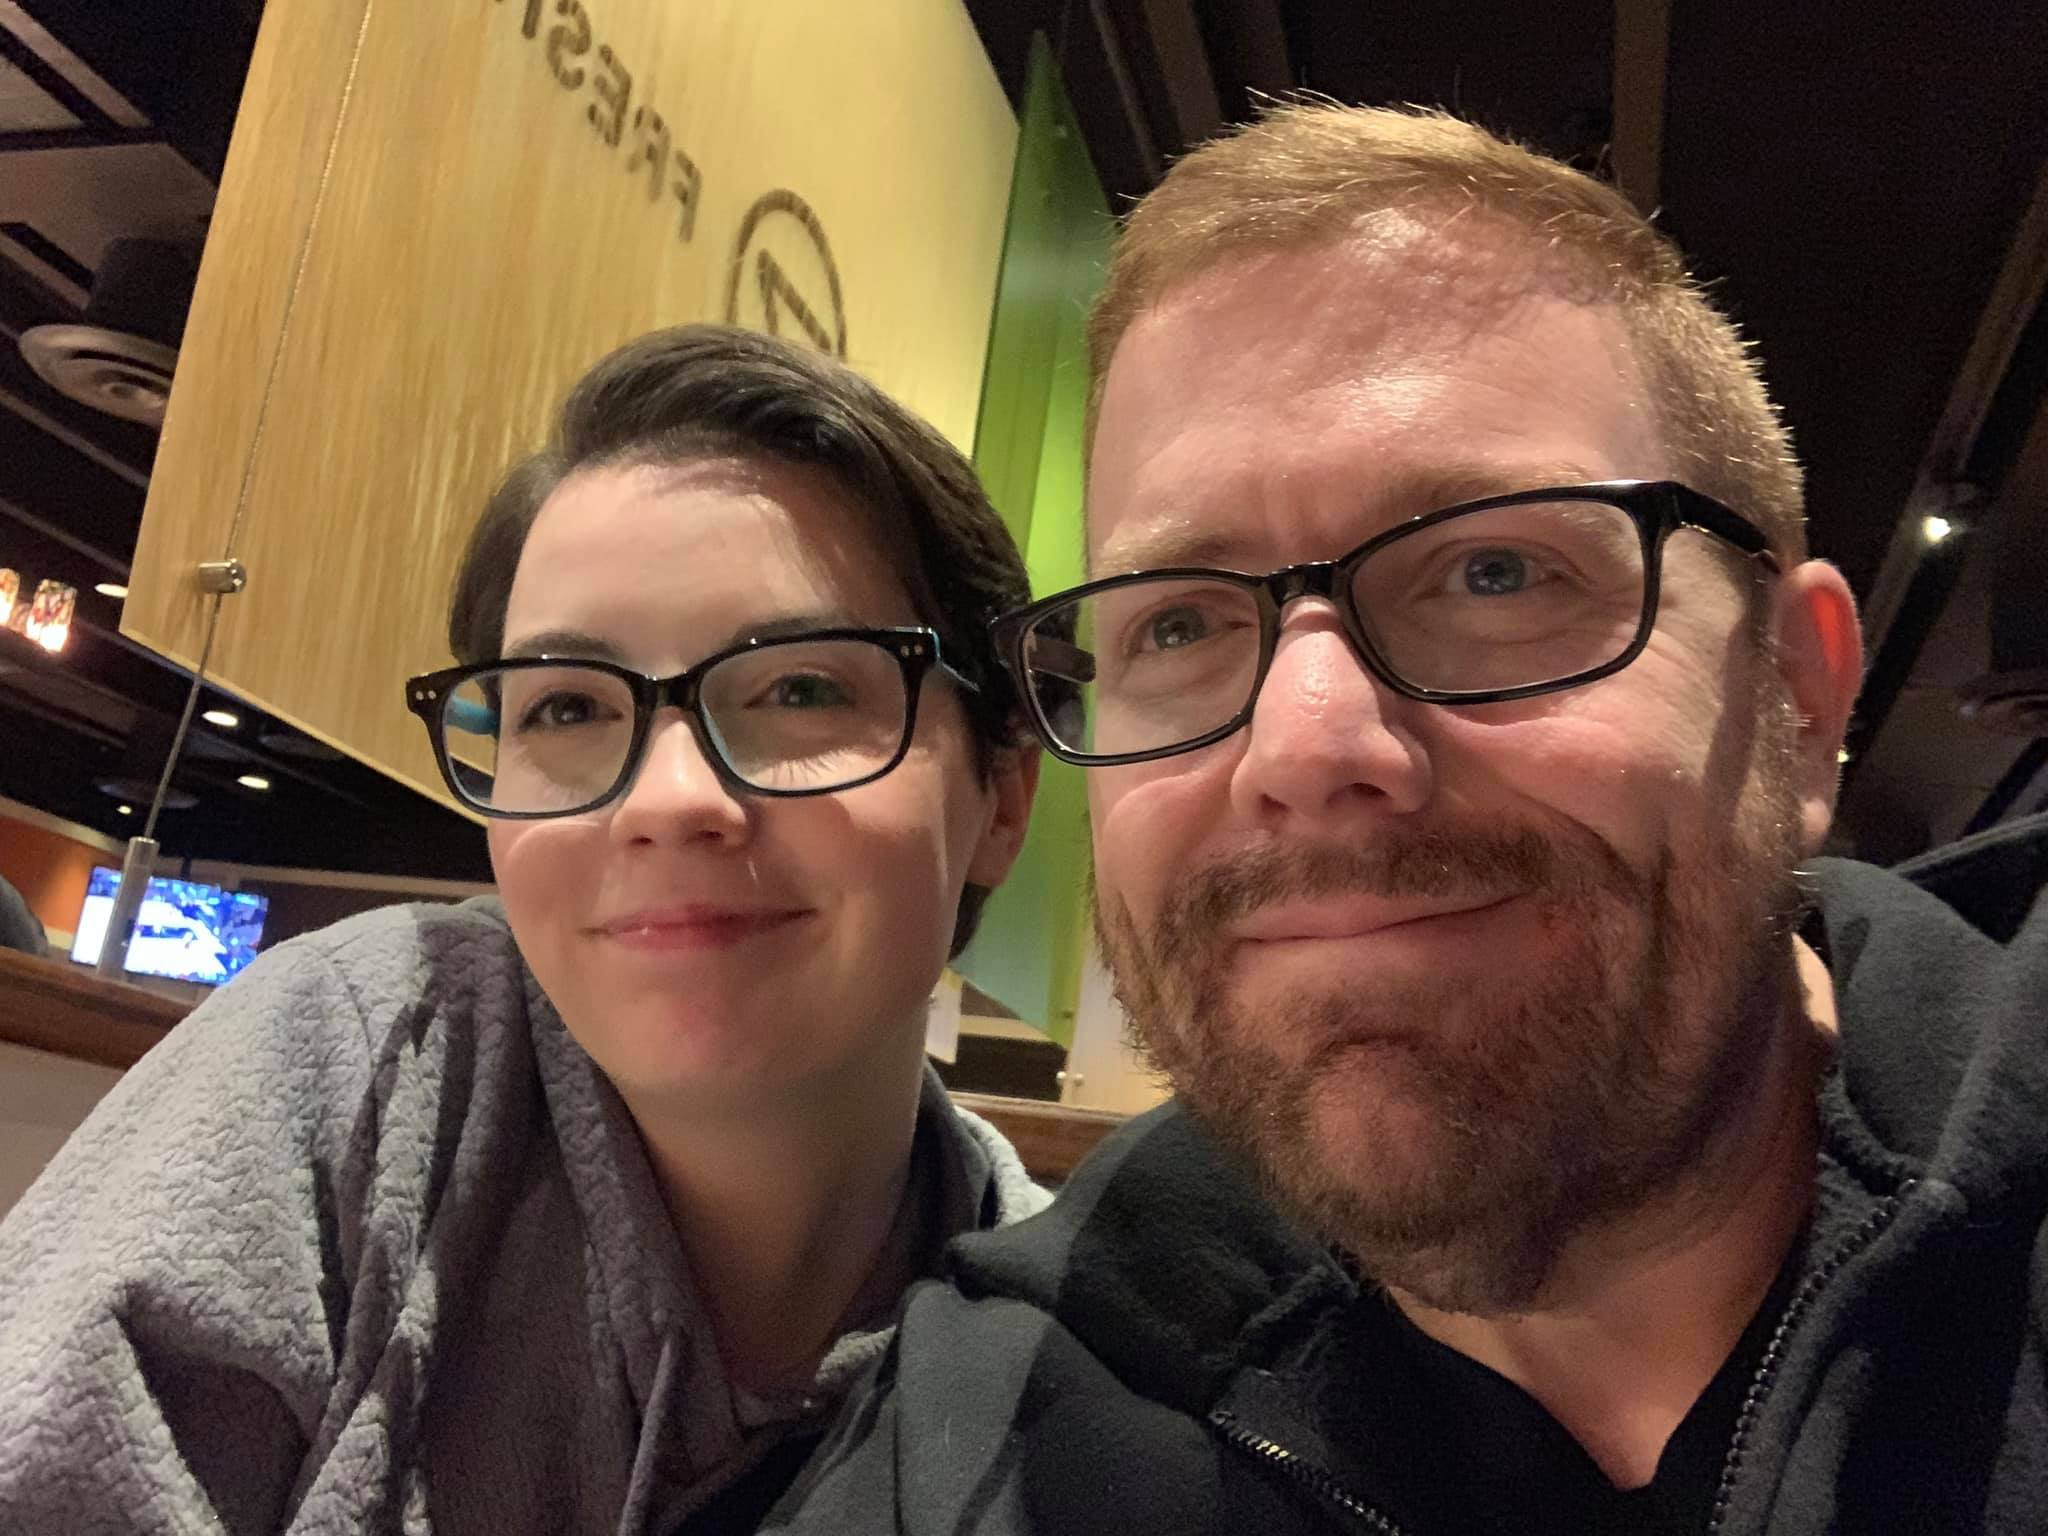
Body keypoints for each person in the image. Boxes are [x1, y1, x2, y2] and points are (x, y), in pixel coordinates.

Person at [771, 106, 2048, 1534]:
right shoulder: (980, 1437)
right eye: (1178, 622)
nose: (1305, 745)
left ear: (1797, 697)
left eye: (1496, 571)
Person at [0, 325, 1047, 1535]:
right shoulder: (360, 1068)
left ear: (1001, 799)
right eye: (564, 707)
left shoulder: (1063, 1366)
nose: (665, 800)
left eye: (802, 688)